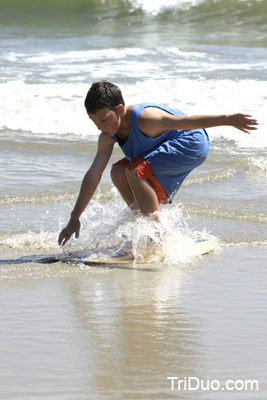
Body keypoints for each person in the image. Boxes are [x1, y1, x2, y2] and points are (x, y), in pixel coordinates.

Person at [58, 81, 258, 247]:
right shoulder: (107, 136)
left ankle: (157, 237)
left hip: (191, 143)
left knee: (135, 171)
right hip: (164, 147)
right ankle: (145, 227)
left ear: (119, 110)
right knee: (118, 172)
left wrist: (228, 119)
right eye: (95, 122)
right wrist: (75, 217)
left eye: (103, 120)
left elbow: (185, 123)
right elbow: (93, 174)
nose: (100, 127)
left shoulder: (146, 119)